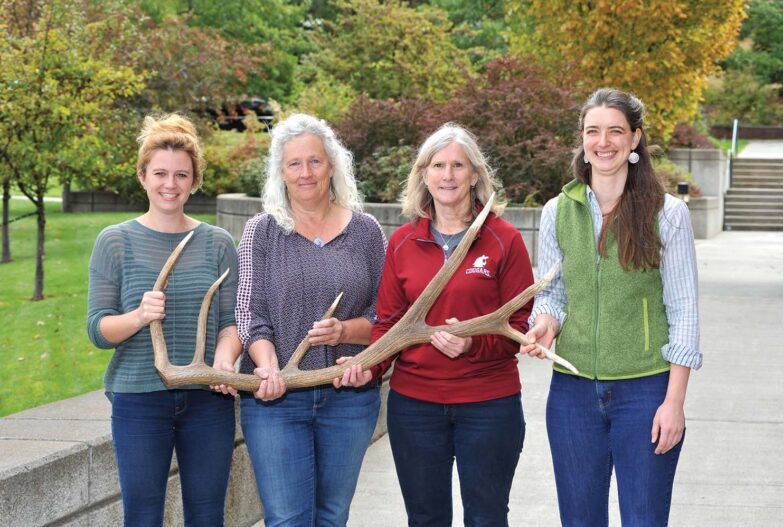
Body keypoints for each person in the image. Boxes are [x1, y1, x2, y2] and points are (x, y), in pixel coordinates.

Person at [520, 88, 701, 526]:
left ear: (635, 139)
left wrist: (673, 402)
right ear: (582, 139)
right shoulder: (556, 211)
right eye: (593, 131)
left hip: (645, 391)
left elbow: (684, 312)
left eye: (616, 131)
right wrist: (545, 322)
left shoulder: (667, 214)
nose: (604, 142)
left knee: (643, 518)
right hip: (572, 393)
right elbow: (553, 292)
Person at [338, 123, 535, 526]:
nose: (448, 175)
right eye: (438, 165)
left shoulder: (504, 239)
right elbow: (388, 322)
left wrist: (472, 345)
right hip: (416, 407)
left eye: (458, 166)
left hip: (488, 405)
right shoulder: (403, 243)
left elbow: (519, 324)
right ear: (423, 175)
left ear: (475, 175)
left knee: (487, 516)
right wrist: (369, 368)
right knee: (425, 518)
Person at [87, 114, 241, 526]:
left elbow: (232, 323)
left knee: (208, 515)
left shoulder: (219, 243)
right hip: (138, 399)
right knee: (142, 516)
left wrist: (224, 362)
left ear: (194, 181)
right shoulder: (115, 241)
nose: (169, 184)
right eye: (159, 173)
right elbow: (98, 329)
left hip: (208, 398)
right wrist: (138, 316)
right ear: (142, 177)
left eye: (181, 175)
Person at [235, 113, 386, 526]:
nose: (305, 173)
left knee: (332, 517)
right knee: (287, 519)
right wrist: (267, 367)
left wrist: (345, 332)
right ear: (280, 172)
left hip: (349, 398)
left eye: (315, 161)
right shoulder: (261, 232)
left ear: (332, 165)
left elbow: (387, 316)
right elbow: (249, 314)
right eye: (294, 164)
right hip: (276, 400)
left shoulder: (366, 232)